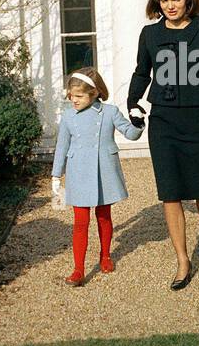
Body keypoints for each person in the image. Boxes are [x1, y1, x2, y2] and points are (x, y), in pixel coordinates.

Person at [127, 0, 199, 291]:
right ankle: (183, 260)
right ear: (157, 2)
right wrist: (133, 102)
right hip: (163, 122)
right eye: (164, 0)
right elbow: (142, 72)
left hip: (198, 119)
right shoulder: (149, 35)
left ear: (189, 0)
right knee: (170, 191)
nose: (170, 6)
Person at [51, 66, 143, 286]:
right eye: (71, 95)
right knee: (80, 222)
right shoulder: (68, 116)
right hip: (78, 173)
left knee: (103, 216)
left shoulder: (110, 112)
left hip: (104, 171)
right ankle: (78, 269)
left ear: (94, 93)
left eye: (79, 96)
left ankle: (105, 256)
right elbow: (61, 147)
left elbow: (129, 133)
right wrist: (56, 176)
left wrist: (138, 122)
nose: (73, 100)